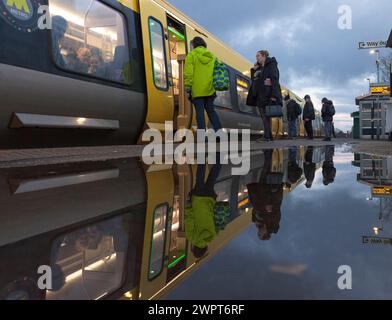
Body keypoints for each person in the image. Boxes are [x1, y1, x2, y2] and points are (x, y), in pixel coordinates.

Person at [185, 161, 222, 259]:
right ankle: (202, 152)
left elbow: (217, 218)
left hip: (209, 200)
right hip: (198, 200)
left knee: (212, 178)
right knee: (199, 178)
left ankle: (221, 156)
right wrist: (188, 207)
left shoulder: (213, 235)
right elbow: (190, 219)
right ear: (194, 248)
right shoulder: (192, 237)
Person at [184, 37, 222, 132]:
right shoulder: (212, 56)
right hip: (210, 90)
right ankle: (220, 134)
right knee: (211, 112)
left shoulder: (191, 55)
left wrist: (188, 87)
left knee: (199, 113)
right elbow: (217, 71)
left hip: (197, 91)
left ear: (194, 45)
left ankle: (202, 137)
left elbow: (188, 73)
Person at [247, 149, 284, 240]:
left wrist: (256, 218)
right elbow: (277, 210)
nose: (258, 233)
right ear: (265, 233)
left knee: (264, 171)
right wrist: (271, 208)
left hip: (260, 192)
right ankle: (268, 153)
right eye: (260, 234)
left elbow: (256, 209)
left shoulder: (258, 223)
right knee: (265, 170)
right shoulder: (273, 223)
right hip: (268, 192)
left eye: (258, 234)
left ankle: (268, 153)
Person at [251, 50, 283, 142]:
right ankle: (268, 136)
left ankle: (267, 137)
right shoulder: (261, 67)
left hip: (268, 95)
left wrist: (274, 95)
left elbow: (275, 79)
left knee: (265, 116)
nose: (256, 58)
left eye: (258, 56)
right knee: (264, 117)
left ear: (264, 56)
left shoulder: (271, 64)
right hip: (261, 95)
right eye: (256, 56)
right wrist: (255, 69)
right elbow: (254, 80)